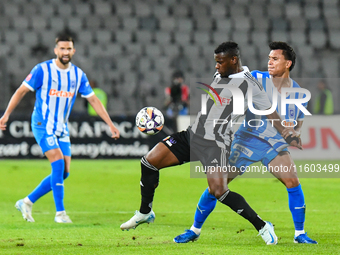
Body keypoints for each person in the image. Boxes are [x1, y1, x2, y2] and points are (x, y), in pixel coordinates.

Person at [120, 41, 301, 245]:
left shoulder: (250, 85)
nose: (216, 66)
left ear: (234, 60)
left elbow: (271, 113)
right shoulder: (221, 74)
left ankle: (262, 226)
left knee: (219, 191)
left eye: (220, 62)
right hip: (192, 136)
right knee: (148, 162)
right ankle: (145, 212)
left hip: (216, 145)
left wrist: (286, 132)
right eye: (216, 62)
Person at [174, 42, 317, 244]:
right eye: (268, 58)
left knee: (292, 180)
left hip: (273, 145)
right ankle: (194, 230)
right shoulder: (256, 77)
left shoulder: (298, 93)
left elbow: (297, 122)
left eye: (275, 59)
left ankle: (300, 234)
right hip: (246, 139)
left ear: (288, 64)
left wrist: (294, 134)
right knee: (218, 185)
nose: (269, 62)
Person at [0, 34, 120, 223]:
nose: (65, 52)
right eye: (62, 48)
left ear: (73, 51)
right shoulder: (42, 70)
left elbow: (93, 100)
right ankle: (60, 213)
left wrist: (110, 124)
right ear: (56, 50)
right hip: (42, 124)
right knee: (57, 162)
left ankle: (27, 202)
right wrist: (6, 114)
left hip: (61, 127)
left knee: (64, 172)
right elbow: (21, 90)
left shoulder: (78, 75)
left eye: (68, 48)